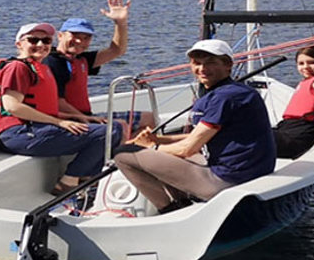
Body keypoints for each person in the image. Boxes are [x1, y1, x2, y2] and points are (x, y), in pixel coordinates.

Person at [114, 40, 276, 214]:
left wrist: (151, 146)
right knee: (163, 153)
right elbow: (200, 136)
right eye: (197, 63)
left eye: (211, 63)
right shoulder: (235, 91)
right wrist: (158, 139)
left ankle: (169, 209)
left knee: (123, 154)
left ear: (228, 65)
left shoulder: (225, 97)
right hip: (248, 172)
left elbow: (188, 148)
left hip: (227, 180)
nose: (202, 69)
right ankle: (182, 200)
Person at [0, 22, 124, 195]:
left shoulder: (38, 67)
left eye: (46, 41)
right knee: (108, 132)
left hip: (34, 128)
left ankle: (85, 180)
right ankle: (68, 184)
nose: (41, 45)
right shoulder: (17, 67)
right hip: (20, 133)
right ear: (19, 44)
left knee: (111, 129)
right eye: (33, 40)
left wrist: (80, 118)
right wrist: (59, 122)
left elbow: (40, 106)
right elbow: (13, 106)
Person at [43, 0, 155, 135]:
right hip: (70, 120)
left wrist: (120, 23)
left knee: (150, 118)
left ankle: (128, 150)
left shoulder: (81, 59)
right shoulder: (53, 62)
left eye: (86, 38)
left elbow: (117, 50)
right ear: (60, 36)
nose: (79, 41)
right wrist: (88, 119)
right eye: (74, 35)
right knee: (121, 126)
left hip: (86, 115)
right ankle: (123, 152)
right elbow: (58, 102)